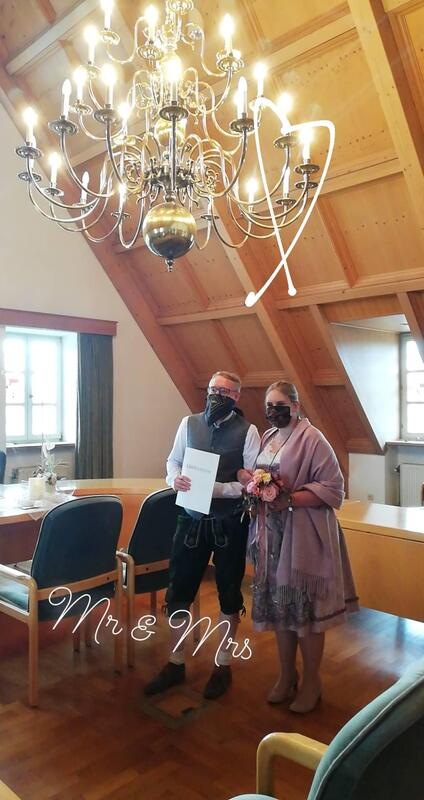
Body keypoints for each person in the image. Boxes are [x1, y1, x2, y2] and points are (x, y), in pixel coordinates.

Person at [238, 381, 358, 714]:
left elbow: (334, 488)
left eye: (279, 405)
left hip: (302, 534)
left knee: (305, 612)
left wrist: (289, 499)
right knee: (281, 609)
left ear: (295, 405)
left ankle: (312, 682)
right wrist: (253, 485)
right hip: (271, 537)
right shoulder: (268, 437)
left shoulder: (313, 438)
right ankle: (287, 674)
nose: (273, 411)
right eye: (268, 406)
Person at [144, 371, 261, 700]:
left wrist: (218, 489)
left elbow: (253, 483)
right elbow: (173, 461)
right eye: (213, 389)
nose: (217, 395)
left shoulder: (249, 432)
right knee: (179, 590)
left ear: (236, 397)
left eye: (225, 391)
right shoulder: (188, 423)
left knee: (229, 593)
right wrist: (174, 479)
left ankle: (223, 663)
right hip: (191, 519)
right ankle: (175, 661)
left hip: (229, 522)